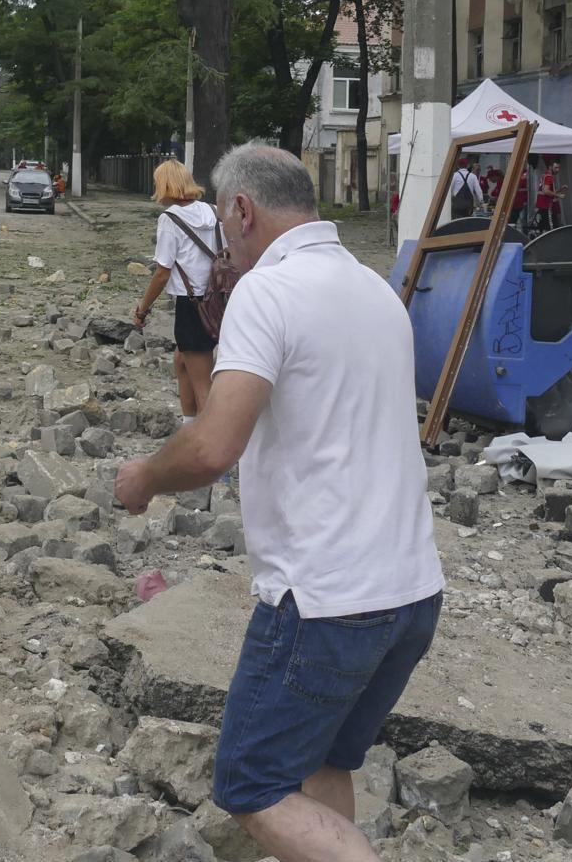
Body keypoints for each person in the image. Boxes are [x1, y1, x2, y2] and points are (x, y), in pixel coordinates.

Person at [115, 144, 444, 862]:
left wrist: (145, 476)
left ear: (242, 209)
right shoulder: (374, 289)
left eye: (224, 226)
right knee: (323, 763)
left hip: (326, 600)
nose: (225, 249)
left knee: (252, 783)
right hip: (412, 591)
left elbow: (212, 446)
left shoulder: (270, 290)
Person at [131, 159, 221, 431]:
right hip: (220, 300)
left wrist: (143, 309)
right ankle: (188, 427)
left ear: (165, 185)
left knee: (203, 385)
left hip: (192, 305)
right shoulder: (213, 211)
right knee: (181, 361)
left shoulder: (169, 219)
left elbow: (162, 272)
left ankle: (210, 446)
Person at [535, 162, 565, 234]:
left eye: (558, 168)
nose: (557, 170)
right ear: (550, 167)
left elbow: (548, 191)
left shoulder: (545, 175)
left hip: (542, 204)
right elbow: (546, 191)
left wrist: (560, 189)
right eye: (556, 168)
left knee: (543, 225)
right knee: (550, 227)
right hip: (546, 204)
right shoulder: (549, 177)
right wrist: (558, 195)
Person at [447, 155, 479, 220]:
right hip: (469, 205)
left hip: (457, 204)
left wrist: (451, 198)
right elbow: (478, 190)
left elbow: (450, 188)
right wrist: (481, 201)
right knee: (467, 220)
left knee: (456, 221)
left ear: (458, 166)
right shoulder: (473, 176)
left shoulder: (455, 175)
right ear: (468, 166)